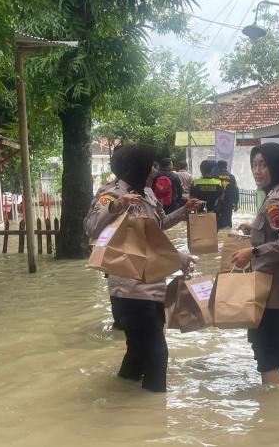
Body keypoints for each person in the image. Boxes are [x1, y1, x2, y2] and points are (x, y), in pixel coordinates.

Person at [84, 144, 202, 392]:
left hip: (154, 284)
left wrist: (182, 212)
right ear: (136, 166)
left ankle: (124, 399)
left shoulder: (148, 194)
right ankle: (156, 413)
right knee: (157, 355)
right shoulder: (111, 194)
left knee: (137, 353)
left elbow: (155, 231)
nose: (154, 170)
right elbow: (92, 228)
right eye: (149, 165)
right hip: (129, 288)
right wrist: (116, 207)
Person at [231, 143, 279, 385]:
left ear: (276, 165)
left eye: (264, 164)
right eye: (254, 165)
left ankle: (273, 413)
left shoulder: (275, 200)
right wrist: (255, 229)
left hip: (271, 293)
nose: (257, 170)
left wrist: (252, 251)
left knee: (266, 354)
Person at [215, 160, 239, 229]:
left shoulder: (214, 176)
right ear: (226, 166)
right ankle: (227, 237)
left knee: (217, 222)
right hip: (229, 202)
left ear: (218, 166)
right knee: (228, 222)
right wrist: (236, 203)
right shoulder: (231, 177)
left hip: (217, 203)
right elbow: (235, 190)